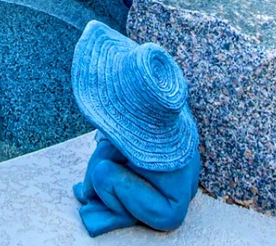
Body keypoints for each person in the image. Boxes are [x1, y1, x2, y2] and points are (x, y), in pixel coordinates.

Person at [69, 21, 201, 237]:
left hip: (168, 212)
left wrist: (87, 192)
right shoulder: (166, 120)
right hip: (185, 191)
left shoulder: (121, 134)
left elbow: (89, 183)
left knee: (102, 174)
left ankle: (121, 214)